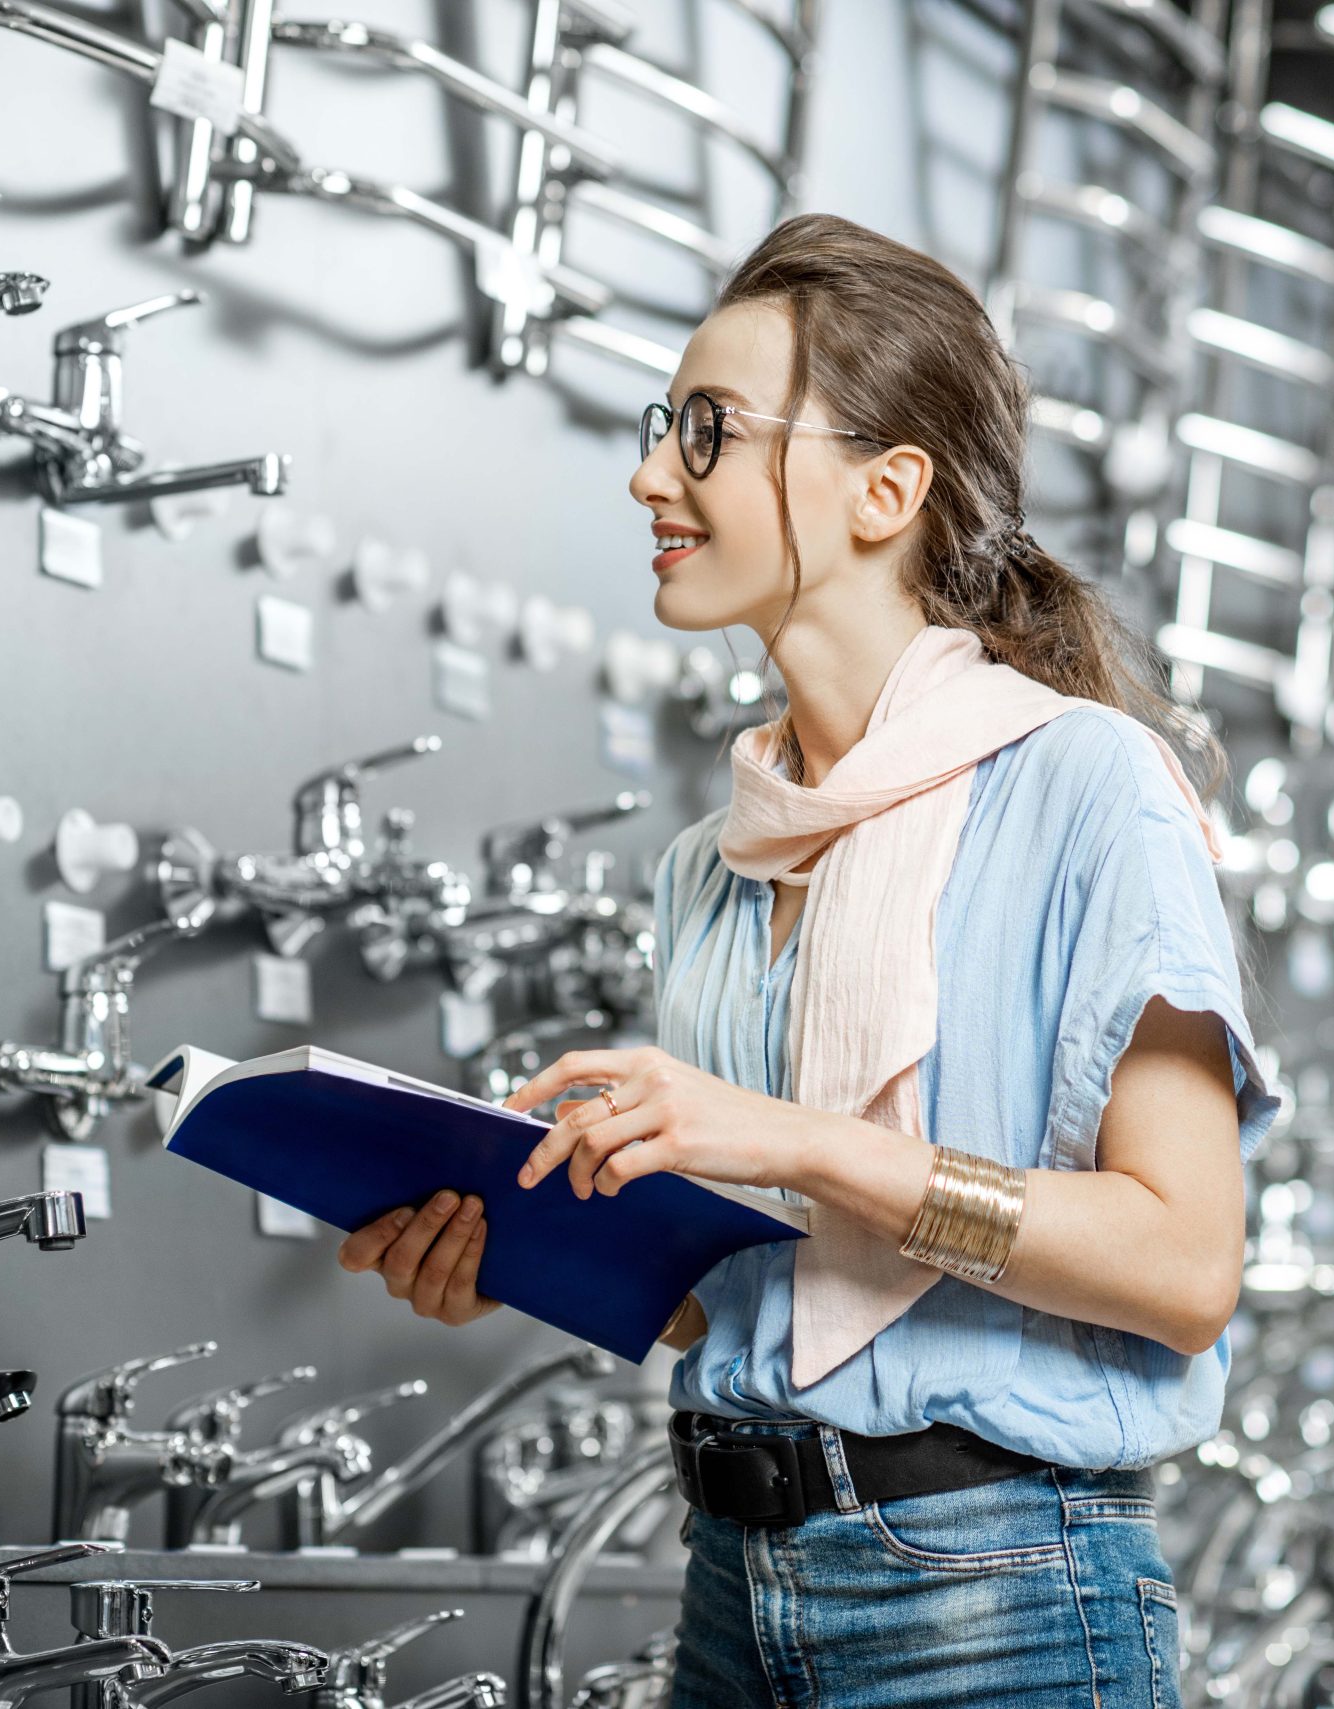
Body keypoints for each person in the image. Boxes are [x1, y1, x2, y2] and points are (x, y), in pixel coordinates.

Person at [337, 212, 1278, 1708]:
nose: (652, 475)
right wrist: (512, 1256)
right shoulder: (708, 867)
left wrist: (796, 1141)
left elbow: (1183, 1265)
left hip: (1005, 1601)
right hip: (733, 1582)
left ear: (884, 488)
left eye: (708, 433)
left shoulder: (1090, 787)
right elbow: (772, 1294)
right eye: (666, 430)